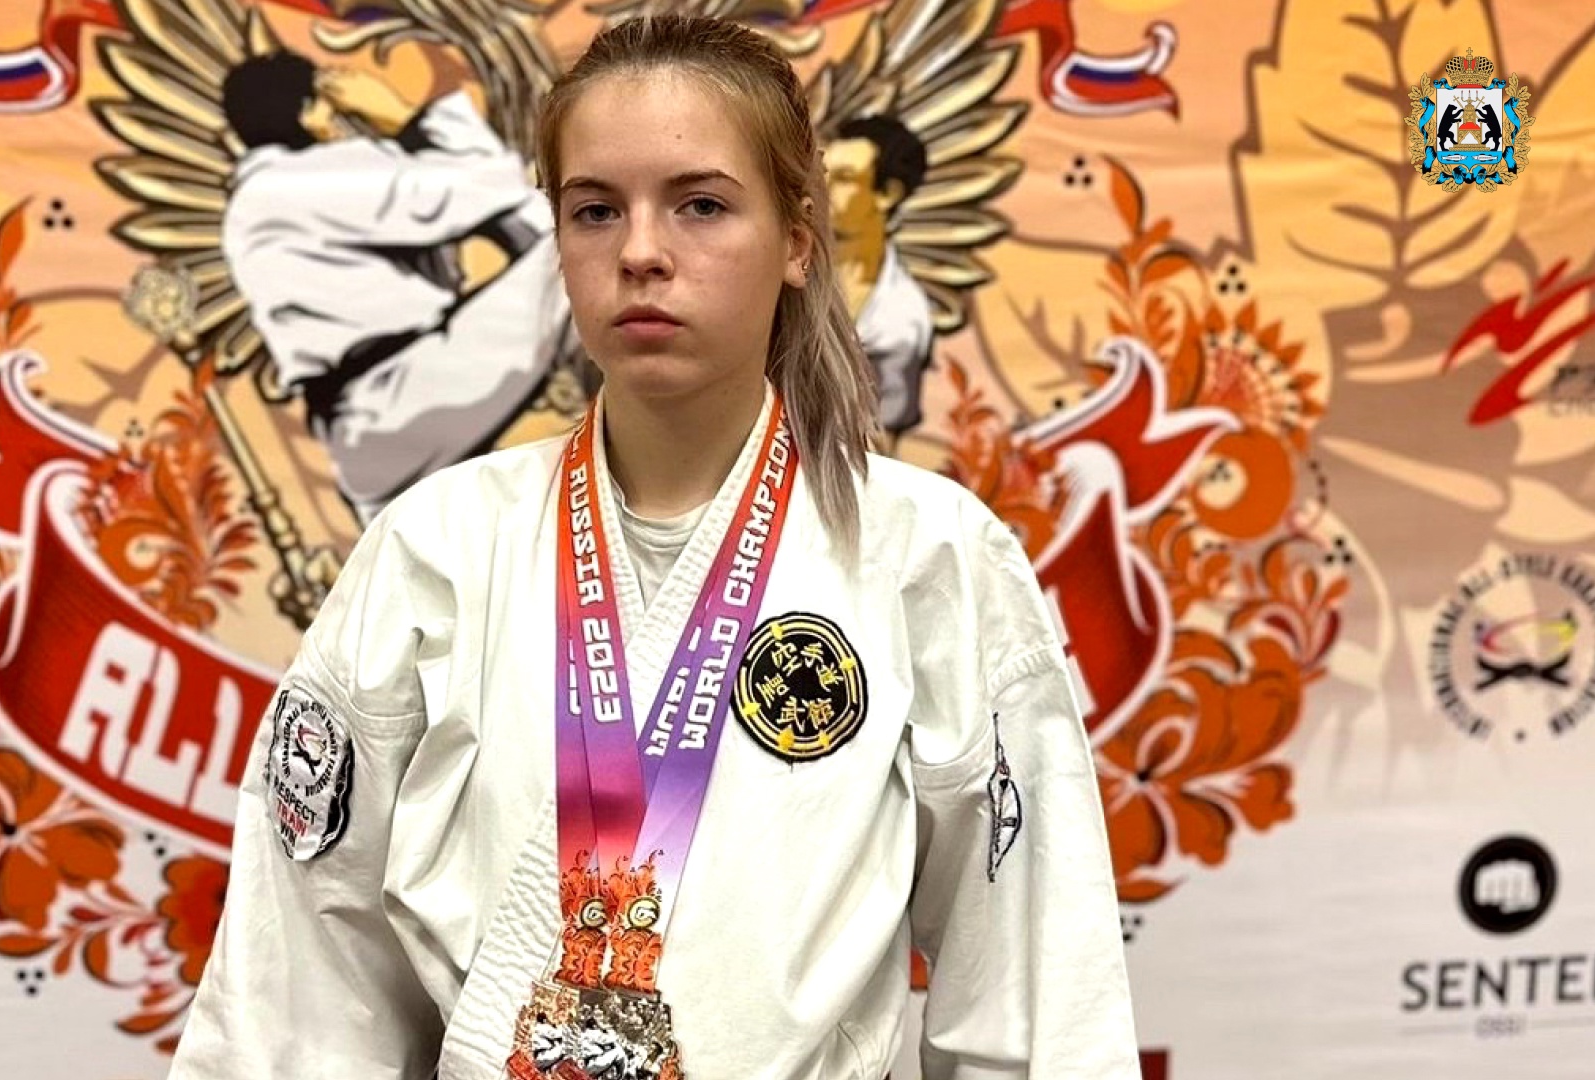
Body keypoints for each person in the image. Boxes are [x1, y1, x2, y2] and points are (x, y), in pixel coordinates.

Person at [172, 15, 1137, 1080]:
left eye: (701, 204)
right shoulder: (433, 547)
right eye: (594, 210)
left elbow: (1032, 1002)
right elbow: (298, 996)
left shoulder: (927, 555)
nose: (638, 251)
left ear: (798, 240)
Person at [219, 51, 574, 523]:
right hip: (404, 393)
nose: (339, 119)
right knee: (586, 254)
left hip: (369, 432)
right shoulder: (302, 179)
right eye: (327, 103)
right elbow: (486, 184)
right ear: (307, 110)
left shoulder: (255, 201)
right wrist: (400, 112)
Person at [825, 113, 937, 437]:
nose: (822, 189)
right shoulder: (776, 268)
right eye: (821, 174)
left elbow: (881, 441)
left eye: (844, 179)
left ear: (887, 194)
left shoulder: (900, 316)